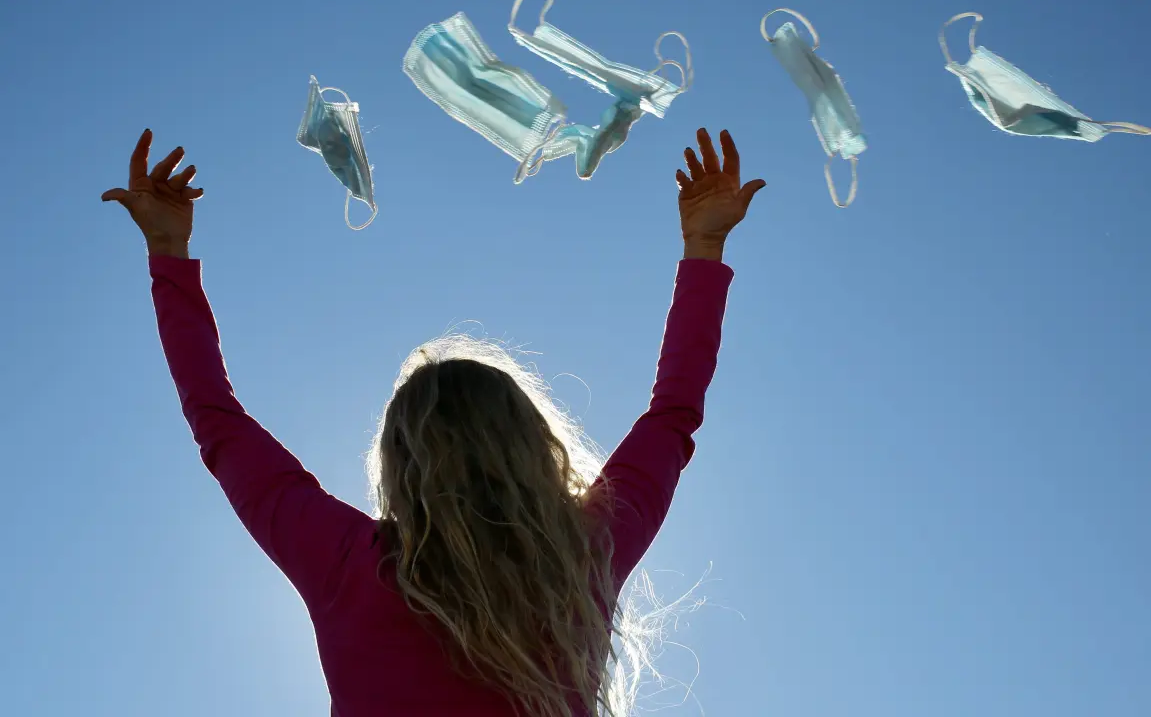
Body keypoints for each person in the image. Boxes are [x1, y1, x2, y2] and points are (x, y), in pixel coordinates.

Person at [102, 126, 766, 717]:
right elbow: (673, 414)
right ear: (532, 444)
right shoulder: (585, 552)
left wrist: (169, 250)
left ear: (398, 463)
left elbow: (216, 419)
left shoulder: (346, 562)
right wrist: (703, 247)